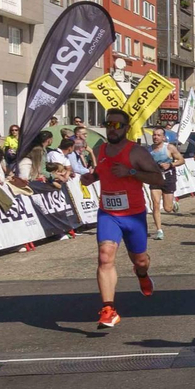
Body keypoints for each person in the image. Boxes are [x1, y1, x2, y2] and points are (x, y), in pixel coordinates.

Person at [82, 108, 162, 329]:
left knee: (140, 260)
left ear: (126, 128)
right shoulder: (100, 149)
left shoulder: (136, 152)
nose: (112, 128)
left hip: (133, 215)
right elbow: (102, 170)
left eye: (117, 125)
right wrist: (92, 177)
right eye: (108, 124)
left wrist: (131, 173)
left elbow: (158, 178)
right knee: (105, 256)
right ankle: (109, 309)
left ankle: (143, 274)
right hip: (108, 213)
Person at [147, 128, 183, 240]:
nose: (155, 137)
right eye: (154, 135)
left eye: (158, 135)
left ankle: (173, 202)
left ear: (163, 137)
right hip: (155, 178)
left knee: (168, 208)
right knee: (156, 204)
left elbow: (182, 160)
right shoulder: (149, 150)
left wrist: (170, 165)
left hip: (168, 176)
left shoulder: (169, 148)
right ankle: (159, 230)